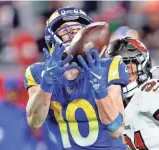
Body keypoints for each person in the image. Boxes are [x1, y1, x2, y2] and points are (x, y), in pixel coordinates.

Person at [24, 7, 129, 150]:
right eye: (65, 28)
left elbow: (116, 129)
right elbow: (34, 122)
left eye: (78, 28)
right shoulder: (38, 72)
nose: (73, 32)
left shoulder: (110, 66)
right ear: (52, 37)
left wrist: (99, 87)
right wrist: (47, 83)